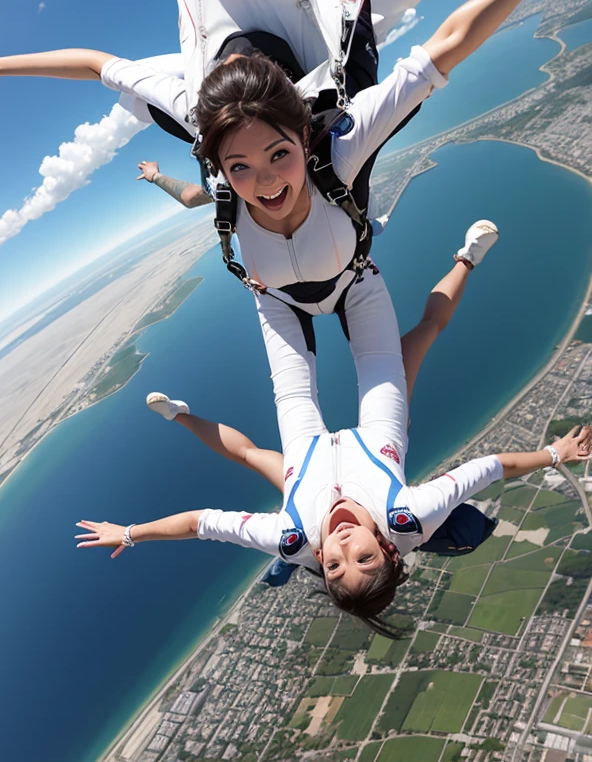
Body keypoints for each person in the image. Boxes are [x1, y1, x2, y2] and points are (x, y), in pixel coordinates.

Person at [76, 226, 592, 634]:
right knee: (418, 337)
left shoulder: (293, 537)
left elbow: (199, 523)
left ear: (318, 563)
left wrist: (128, 533)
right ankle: (466, 260)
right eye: (363, 556)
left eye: (335, 566)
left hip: (311, 477)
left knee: (256, 452)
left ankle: (181, 414)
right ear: (388, 546)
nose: (344, 546)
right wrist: (555, 452)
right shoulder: (409, 516)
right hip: (376, 443)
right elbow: (491, 468)